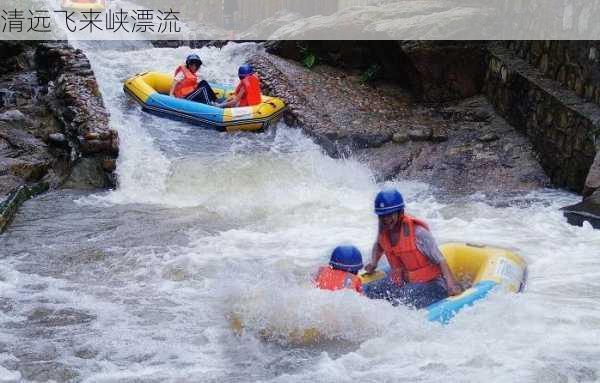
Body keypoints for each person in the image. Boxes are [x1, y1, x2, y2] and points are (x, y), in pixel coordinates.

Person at [363, 189, 462, 309]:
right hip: (404, 282)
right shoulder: (384, 231)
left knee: (403, 299)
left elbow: (440, 260)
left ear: (400, 212)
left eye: (390, 215)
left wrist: (451, 285)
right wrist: (374, 263)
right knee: (369, 290)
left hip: (433, 284)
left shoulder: (419, 233)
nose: (386, 219)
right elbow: (379, 246)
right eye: (382, 216)